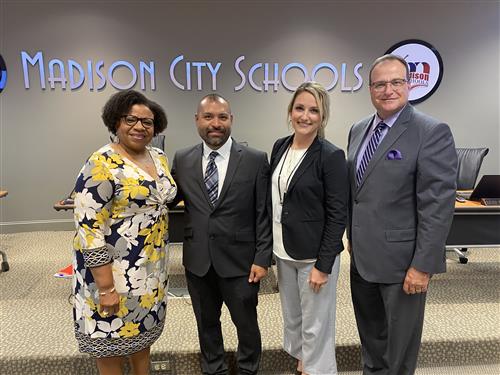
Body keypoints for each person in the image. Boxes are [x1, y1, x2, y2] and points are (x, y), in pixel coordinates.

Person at [346, 54, 457, 375]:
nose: (388, 90)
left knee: (399, 352)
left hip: (404, 263)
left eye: (396, 82)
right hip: (362, 260)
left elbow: (437, 206)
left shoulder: (430, 131)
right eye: (380, 84)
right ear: (370, 89)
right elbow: (359, 191)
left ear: (409, 85)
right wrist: (352, 237)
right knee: (372, 343)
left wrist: (423, 266)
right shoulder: (358, 129)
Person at [72, 90, 176, 375]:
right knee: (111, 344)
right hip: (113, 274)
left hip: (151, 271)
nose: (140, 127)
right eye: (132, 119)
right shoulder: (100, 163)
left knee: (142, 339)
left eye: (148, 122)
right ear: (115, 122)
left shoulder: (158, 156)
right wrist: (106, 288)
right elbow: (90, 230)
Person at [170, 94, 273, 375]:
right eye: (208, 117)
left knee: (246, 325)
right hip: (198, 260)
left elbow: (263, 212)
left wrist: (263, 258)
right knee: (206, 324)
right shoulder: (182, 158)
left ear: (231, 120)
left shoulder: (254, 159)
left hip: (241, 262)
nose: (215, 123)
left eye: (222, 117)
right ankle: (213, 369)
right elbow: (169, 200)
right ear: (197, 121)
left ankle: (248, 369)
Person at [270, 81, 348, 375]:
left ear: (323, 117)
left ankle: (318, 371)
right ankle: (303, 364)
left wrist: (323, 265)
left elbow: (338, 213)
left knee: (317, 325)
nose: (305, 116)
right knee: (293, 319)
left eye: (314, 110)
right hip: (283, 250)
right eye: (300, 108)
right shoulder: (280, 146)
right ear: (290, 111)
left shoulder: (330, 155)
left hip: (314, 256)